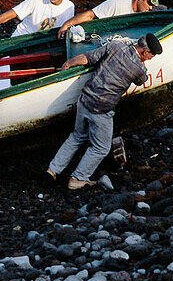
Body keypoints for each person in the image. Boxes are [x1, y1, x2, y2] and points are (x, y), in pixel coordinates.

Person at [47, 33, 162, 190]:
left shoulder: (115, 46)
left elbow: (88, 57)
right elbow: (141, 81)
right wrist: (143, 66)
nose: (150, 59)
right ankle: (78, 178)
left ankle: (53, 169)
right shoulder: (139, 68)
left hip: (85, 98)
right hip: (101, 109)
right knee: (101, 148)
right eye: (151, 56)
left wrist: (68, 63)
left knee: (77, 136)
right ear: (144, 52)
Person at [57, 0, 159, 38]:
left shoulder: (143, 15)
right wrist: (66, 25)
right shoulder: (115, 4)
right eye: (149, 3)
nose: (150, 8)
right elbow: (90, 15)